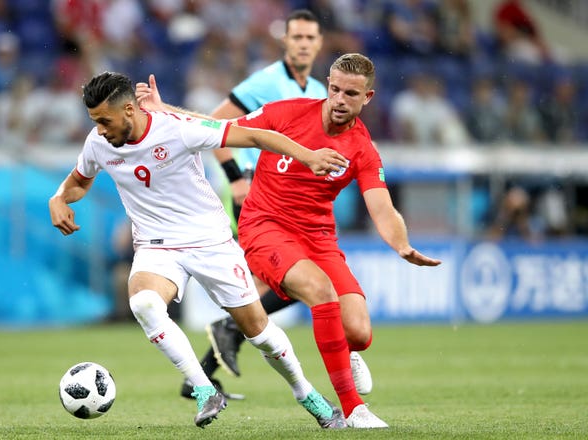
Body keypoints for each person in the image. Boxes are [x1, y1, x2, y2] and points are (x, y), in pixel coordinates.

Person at [137, 53, 442, 428]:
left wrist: (401, 245)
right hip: (264, 226)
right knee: (318, 289)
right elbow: (217, 128)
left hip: (318, 237)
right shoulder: (285, 113)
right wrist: (160, 108)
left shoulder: (363, 149)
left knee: (359, 334)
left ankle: (343, 352)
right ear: (327, 86)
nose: (340, 99)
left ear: (368, 98)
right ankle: (352, 408)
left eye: (351, 93)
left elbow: (382, 208)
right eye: (334, 89)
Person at [48, 71, 350, 429]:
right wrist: (59, 197)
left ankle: (306, 393)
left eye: (104, 121)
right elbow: (79, 181)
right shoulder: (98, 143)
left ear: (129, 110)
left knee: (258, 333)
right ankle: (205, 389)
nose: (99, 130)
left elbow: (253, 134)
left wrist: (308, 156)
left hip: (210, 242)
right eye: (94, 122)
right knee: (144, 303)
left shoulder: (177, 129)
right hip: (157, 247)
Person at [177, 8, 380, 402]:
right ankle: (222, 342)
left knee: (274, 281)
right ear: (284, 41)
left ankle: (206, 366)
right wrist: (237, 177)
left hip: (295, 200)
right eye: (297, 38)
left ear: (320, 44)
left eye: (310, 38)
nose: (303, 44)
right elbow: (218, 124)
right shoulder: (266, 81)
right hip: (256, 195)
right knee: (278, 278)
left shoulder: (325, 91)